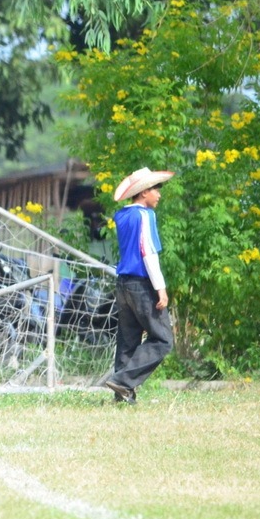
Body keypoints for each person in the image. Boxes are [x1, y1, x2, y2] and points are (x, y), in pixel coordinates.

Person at [106, 167, 175, 405]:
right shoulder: (145, 215)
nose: (159, 194)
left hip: (122, 284)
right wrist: (161, 288)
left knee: (127, 340)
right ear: (144, 192)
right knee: (163, 339)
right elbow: (148, 252)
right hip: (141, 284)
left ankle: (122, 396)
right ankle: (123, 381)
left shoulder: (121, 215)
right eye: (156, 189)